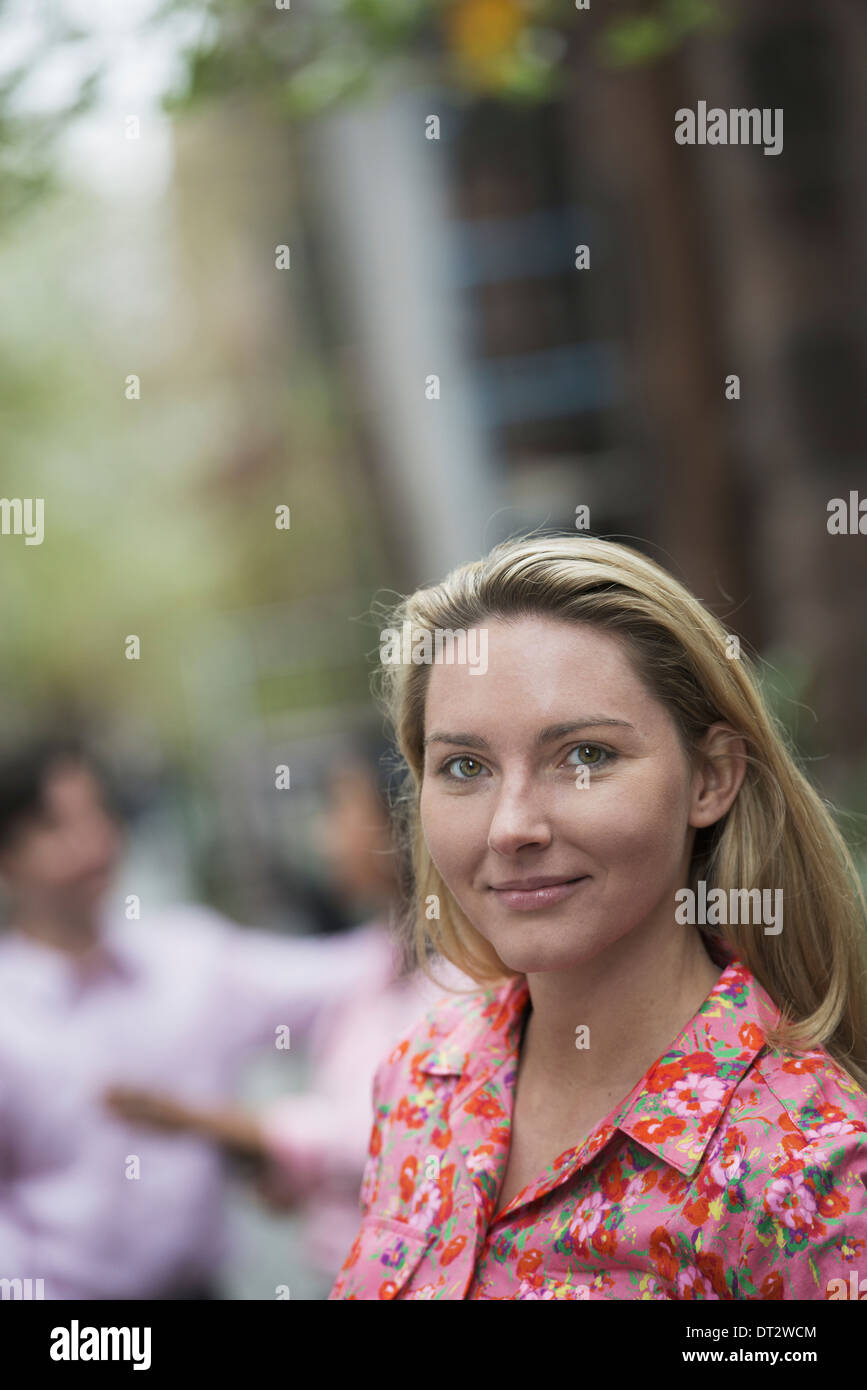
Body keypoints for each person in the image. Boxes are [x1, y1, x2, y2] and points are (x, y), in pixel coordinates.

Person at [328, 533, 867, 1300]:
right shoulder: (421, 1077)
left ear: (710, 778)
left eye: (584, 757)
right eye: (465, 767)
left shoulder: (808, 1170)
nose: (511, 825)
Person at [0, 735, 390, 1300]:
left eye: (98, 814)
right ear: (8, 854)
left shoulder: (188, 957)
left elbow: (350, 971)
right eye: (57, 826)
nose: (94, 844)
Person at [105, 740, 472, 1297]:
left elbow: (384, 1134)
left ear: (401, 821)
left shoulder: (465, 978)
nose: (322, 835)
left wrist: (211, 1123)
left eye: (338, 809)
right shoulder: (375, 964)